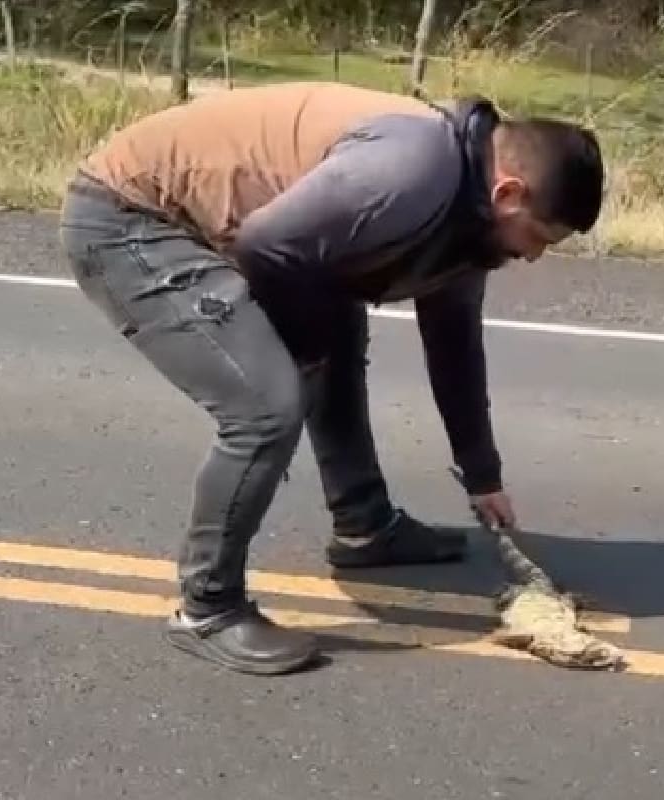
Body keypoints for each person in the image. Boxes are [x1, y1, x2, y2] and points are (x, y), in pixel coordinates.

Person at [57, 81, 605, 676]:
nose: (534, 257)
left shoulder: (470, 222)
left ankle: (364, 528)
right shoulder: (411, 173)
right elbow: (267, 246)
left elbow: (453, 344)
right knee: (266, 408)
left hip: (244, 231)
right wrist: (304, 349)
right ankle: (207, 608)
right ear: (509, 193)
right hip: (130, 217)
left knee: (336, 325)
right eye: (541, 238)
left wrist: (482, 475)